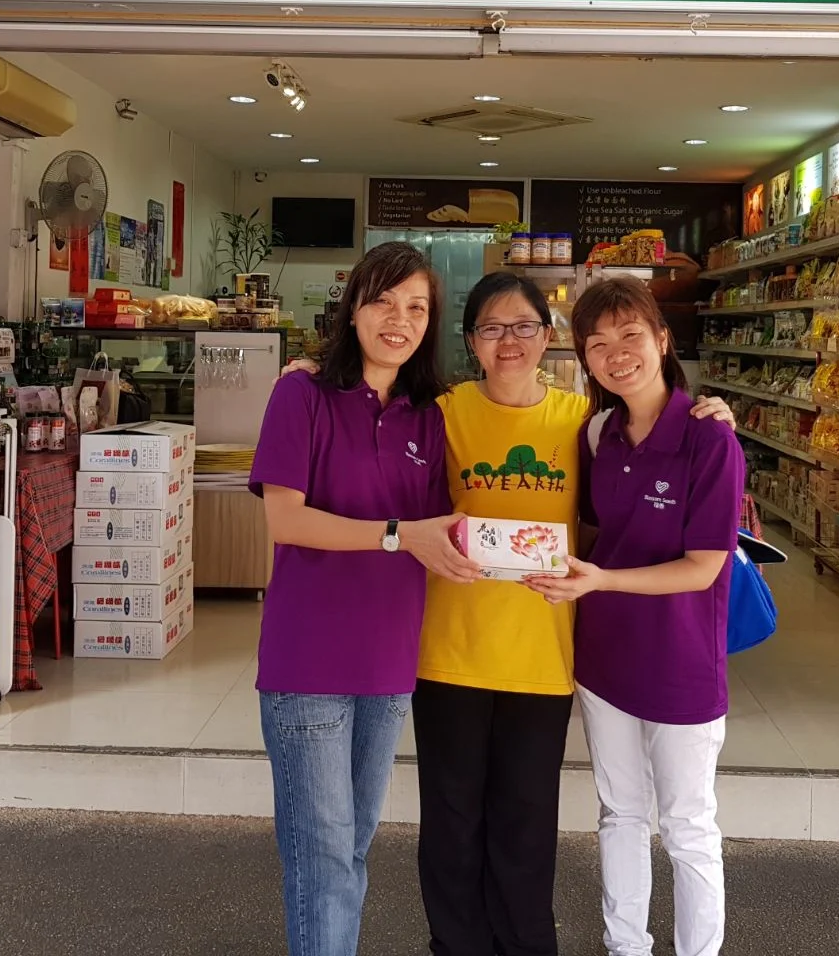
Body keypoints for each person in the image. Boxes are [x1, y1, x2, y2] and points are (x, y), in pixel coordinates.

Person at [280, 270, 735, 956]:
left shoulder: (584, 424)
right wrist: (313, 369)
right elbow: (371, 395)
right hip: (450, 649)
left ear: (550, 340)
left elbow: (611, 512)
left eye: (524, 326)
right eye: (492, 328)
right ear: (470, 342)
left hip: (541, 656)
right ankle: (456, 945)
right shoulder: (442, 409)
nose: (509, 341)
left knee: (525, 823)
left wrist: (711, 410)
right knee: (453, 820)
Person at [248, 241, 482, 956]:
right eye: (383, 300)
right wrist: (395, 535)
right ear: (352, 308)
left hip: (388, 661)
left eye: (417, 308)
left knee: (351, 843)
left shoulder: (428, 416)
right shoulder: (303, 394)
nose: (399, 320)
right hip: (309, 659)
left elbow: (439, 527)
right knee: (320, 851)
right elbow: (285, 520)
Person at [527, 275, 746, 956]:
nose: (616, 353)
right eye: (597, 344)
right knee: (619, 814)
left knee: (686, 825)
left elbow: (704, 565)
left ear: (662, 339)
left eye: (630, 336)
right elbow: (590, 532)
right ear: (585, 360)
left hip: (682, 664)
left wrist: (603, 580)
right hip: (604, 662)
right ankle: (626, 946)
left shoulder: (710, 440)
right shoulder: (599, 436)